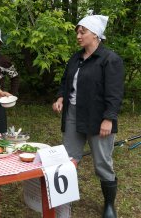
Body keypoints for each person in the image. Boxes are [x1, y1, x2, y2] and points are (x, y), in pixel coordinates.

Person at [52, 15, 124, 218]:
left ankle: (109, 205)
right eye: (77, 31)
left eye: (82, 31)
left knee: (102, 162)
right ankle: (63, 204)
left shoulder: (110, 60)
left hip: (98, 117)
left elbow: (115, 93)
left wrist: (109, 118)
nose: (78, 35)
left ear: (96, 34)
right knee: (68, 160)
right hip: (73, 114)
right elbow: (66, 82)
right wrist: (60, 97)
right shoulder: (75, 58)